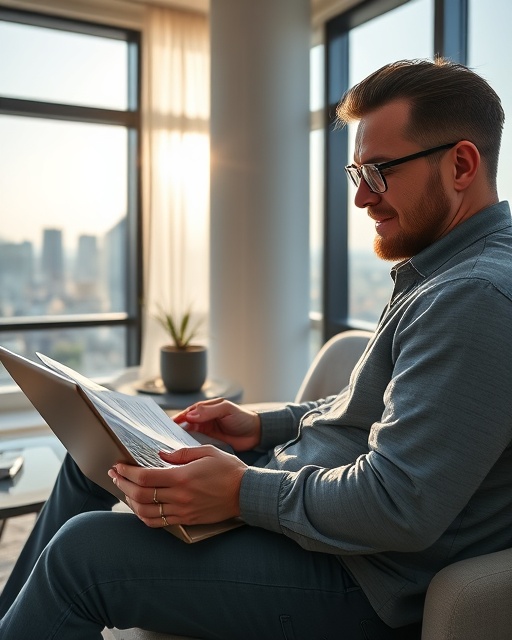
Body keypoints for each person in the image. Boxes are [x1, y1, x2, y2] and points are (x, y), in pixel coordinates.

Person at [1, 56, 512, 640]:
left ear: (462, 165)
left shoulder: (477, 297)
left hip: (357, 577)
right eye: (357, 175)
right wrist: (260, 427)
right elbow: (368, 412)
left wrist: (241, 490)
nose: (362, 200)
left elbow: (398, 504)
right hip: (314, 507)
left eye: (380, 173)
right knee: (90, 460)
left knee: (82, 554)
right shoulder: (442, 274)